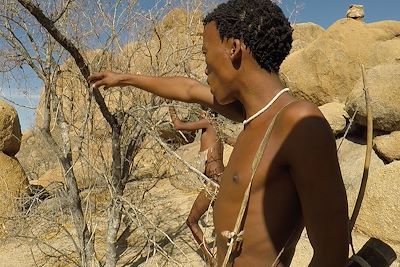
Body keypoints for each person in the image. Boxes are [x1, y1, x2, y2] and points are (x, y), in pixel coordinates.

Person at [88, 0, 349, 266]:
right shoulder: (250, 115)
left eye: (205, 53)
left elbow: (332, 255)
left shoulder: (298, 122)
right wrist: (125, 79)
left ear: (233, 49)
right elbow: (189, 90)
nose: (205, 68)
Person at [169, 105, 224, 265]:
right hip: (221, 179)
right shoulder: (216, 128)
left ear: (206, 112)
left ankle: (211, 260)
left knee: (191, 221)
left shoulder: (207, 122)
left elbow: (178, 125)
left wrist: (170, 106)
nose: (198, 113)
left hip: (214, 183)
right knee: (221, 221)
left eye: (200, 109)